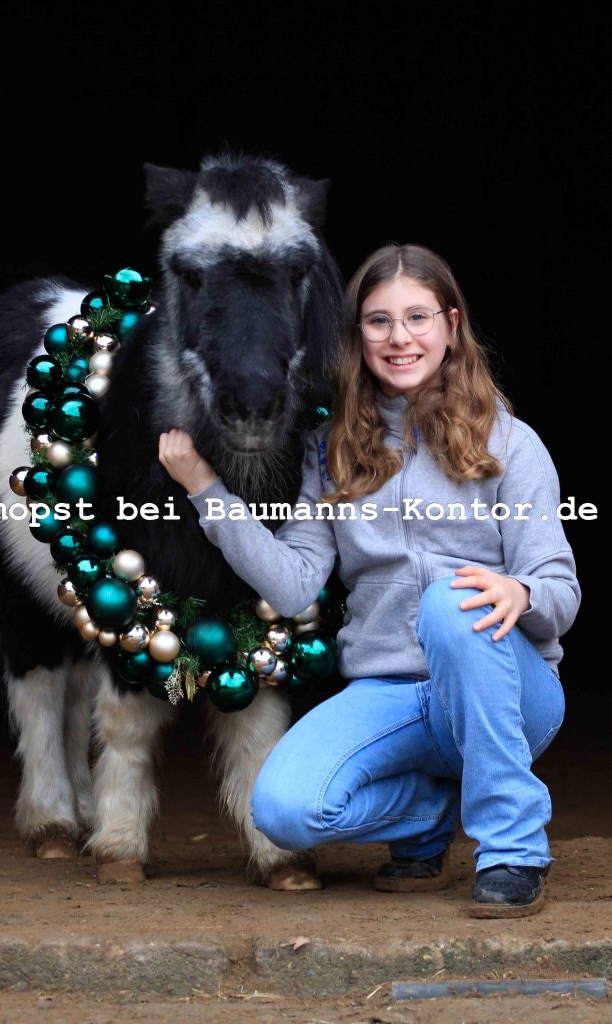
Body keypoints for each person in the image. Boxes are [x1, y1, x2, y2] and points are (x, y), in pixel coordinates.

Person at [157, 243, 580, 918]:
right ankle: (427, 816)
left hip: (506, 690)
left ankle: (512, 848)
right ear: (357, 336)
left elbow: (560, 590)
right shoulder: (331, 453)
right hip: (391, 694)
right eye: (379, 321)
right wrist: (207, 490)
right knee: (283, 811)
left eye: (417, 317)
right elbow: (293, 585)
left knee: (450, 602)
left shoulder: (511, 443)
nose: (399, 337)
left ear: (450, 326)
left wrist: (521, 592)